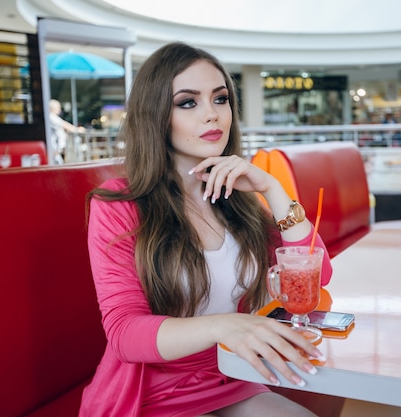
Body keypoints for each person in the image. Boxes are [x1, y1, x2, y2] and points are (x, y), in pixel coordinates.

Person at [80, 42, 340, 417]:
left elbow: (319, 275)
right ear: (155, 116)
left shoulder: (236, 198)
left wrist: (273, 189)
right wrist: (225, 326)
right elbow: (124, 333)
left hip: (230, 377)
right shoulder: (119, 205)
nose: (212, 115)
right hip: (151, 395)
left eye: (220, 99)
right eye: (188, 102)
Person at [48, 99, 85, 164]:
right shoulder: (51, 116)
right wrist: (77, 129)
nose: (59, 109)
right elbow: (64, 124)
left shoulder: (52, 117)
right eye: (58, 107)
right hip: (54, 150)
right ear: (52, 108)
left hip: (57, 150)